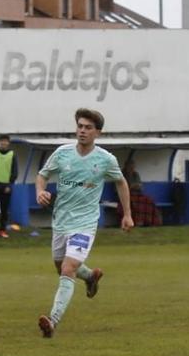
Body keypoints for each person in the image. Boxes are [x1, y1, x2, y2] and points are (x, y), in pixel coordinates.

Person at [34, 107, 133, 337]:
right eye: (79, 126)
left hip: (85, 224)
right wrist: (40, 191)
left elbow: (121, 182)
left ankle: (52, 321)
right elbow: (42, 175)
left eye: (88, 128)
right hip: (61, 222)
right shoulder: (62, 154)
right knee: (61, 267)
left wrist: (127, 214)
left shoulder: (106, 159)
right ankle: (90, 276)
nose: (82, 131)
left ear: (98, 132)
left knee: (68, 269)